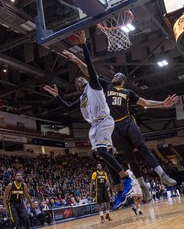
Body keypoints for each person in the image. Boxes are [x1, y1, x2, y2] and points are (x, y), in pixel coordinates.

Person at [63, 45, 178, 205]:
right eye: (114, 74)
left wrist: (162, 104)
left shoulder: (128, 92)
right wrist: (76, 60)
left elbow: (145, 102)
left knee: (142, 147)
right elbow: (88, 70)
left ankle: (162, 174)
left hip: (127, 120)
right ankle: (143, 186)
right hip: (113, 126)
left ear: (123, 81)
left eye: (118, 75)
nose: (114, 75)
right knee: (130, 158)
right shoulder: (106, 86)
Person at [43, 31, 133, 210]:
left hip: (104, 120)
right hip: (94, 126)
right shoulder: (83, 96)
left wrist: (84, 45)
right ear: (78, 86)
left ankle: (126, 178)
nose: (79, 79)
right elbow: (68, 108)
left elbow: (89, 66)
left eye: (81, 77)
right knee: (107, 158)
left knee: (102, 151)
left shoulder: (94, 84)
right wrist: (58, 96)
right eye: (77, 80)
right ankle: (120, 192)